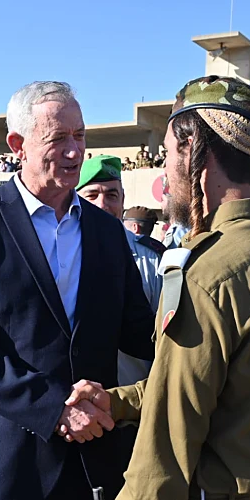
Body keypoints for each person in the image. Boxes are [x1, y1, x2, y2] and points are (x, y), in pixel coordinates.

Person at [67, 76, 250, 500]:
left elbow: (167, 441)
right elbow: (217, 384)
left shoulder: (209, 271)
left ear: (192, 154)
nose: (165, 171)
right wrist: (119, 400)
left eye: (168, 154)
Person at [0, 81, 155, 500]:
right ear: (18, 144)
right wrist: (53, 409)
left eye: (80, 136)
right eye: (58, 138)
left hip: (85, 469)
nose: (74, 151)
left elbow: (139, 331)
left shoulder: (107, 233)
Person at [75, 155, 164, 385]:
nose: (102, 204)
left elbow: (164, 341)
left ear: (123, 200)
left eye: (111, 195)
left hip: (132, 403)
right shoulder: (63, 256)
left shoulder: (151, 259)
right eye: (92, 195)